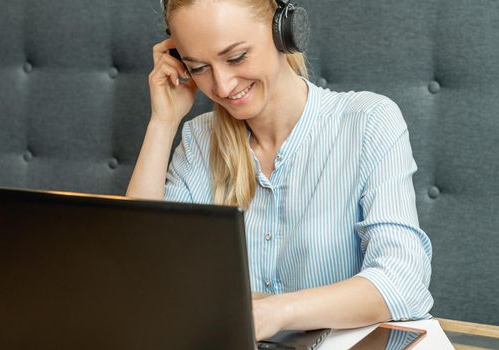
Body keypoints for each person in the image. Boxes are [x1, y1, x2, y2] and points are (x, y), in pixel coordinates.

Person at [126, 0, 433, 341]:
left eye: (237, 57)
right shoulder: (199, 139)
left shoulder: (368, 122)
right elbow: (139, 272)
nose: (223, 86)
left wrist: (277, 312)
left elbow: (402, 281)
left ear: (283, 31)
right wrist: (163, 122)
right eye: (199, 68)